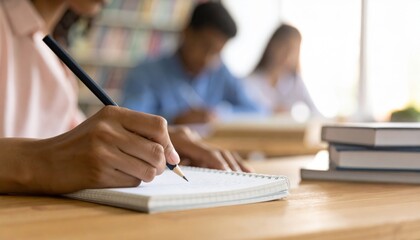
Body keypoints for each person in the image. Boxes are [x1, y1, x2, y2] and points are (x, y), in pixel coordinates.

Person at [0, 0, 250, 194]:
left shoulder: (56, 60)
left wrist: (140, 141)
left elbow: (71, 141)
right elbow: (60, 153)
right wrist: (46, 162)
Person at [121, 2, 261, 125]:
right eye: (205, 46)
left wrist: (218, 114)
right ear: (187, 32)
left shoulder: (220, 72)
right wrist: (175, 120)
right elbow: (131, 120)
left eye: (217, 52)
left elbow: (257, 111)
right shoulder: (146, 72)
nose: (208, 60)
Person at [244, 24, 319, 115]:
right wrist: (270, 112)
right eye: (284, 47)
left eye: (293, 50)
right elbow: (243, 112)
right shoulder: (249, 82)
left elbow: (315, 112)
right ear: (272, 45)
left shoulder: (294, 81)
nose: (287, 55)